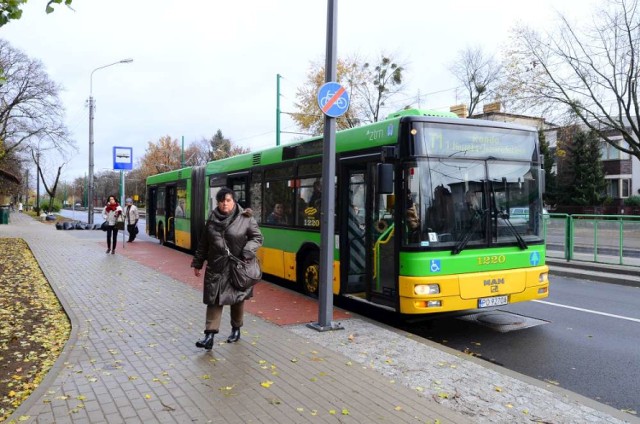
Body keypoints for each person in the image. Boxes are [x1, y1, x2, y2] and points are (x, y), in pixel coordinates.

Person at [191, 187, 263, 350]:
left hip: (237, 267)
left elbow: (257, 237)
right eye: (222, 200)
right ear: (218, 202)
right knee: (214, 300)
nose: (225, 203)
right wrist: (197, 263)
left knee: (237, 300)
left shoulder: (246, 218)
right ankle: (209, 336)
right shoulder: (212, 219)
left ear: (234, 201)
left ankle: (236, 329)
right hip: (216, 266)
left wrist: (247, 250)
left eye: (228, 200)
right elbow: (204, 243)